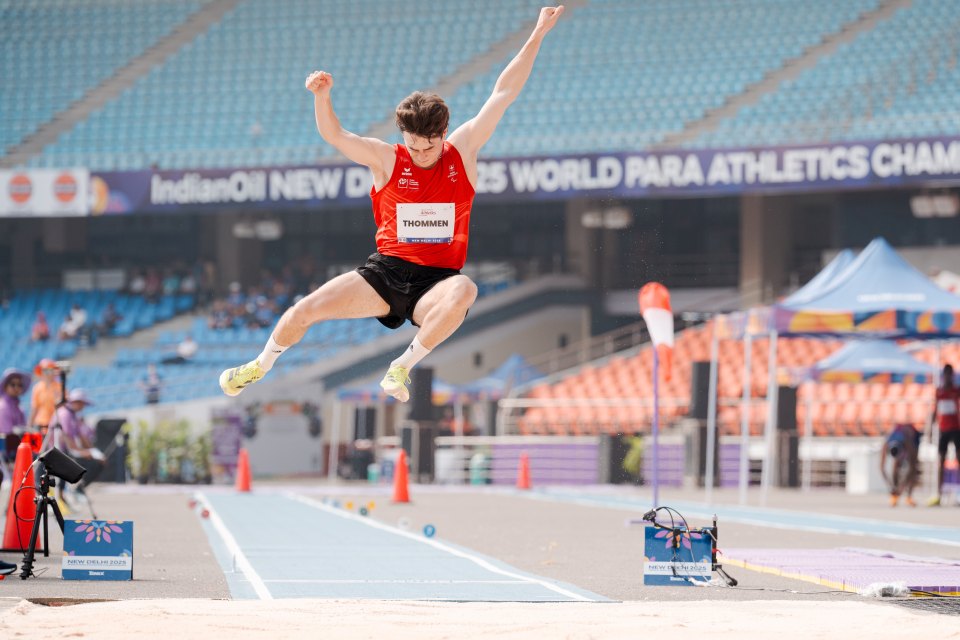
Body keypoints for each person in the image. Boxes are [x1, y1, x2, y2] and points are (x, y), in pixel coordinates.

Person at [219, 5, 566, 399]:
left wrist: (538, 33)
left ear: (444, 133)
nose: (420, 154)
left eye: (429, 146)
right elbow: (336, 136)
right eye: (413, 146)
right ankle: (259, 365)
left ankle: (400, 368)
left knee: (465, 290)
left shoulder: (463, 150)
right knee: (304, 311)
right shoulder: (387, 158)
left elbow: (503, 93)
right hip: (384, 273)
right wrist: (322, 96)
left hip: (437, 281)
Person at [0, 368, 30, 576]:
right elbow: (6, 438)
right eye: (13, 384)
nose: (17, 388)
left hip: (14, 458)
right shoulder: (3, 406)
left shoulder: (18, 407)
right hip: (7, 459)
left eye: (20, 385)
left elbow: (23, 436)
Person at [55, 389, 105, 491]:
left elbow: (81, 436)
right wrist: (83, 452)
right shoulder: (64, 414)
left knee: (97, 461)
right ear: (77, 402)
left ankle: (78, 489)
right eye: (82, 403)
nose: (83, 407)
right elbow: (65, 438)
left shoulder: (73, 415)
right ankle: (76, 489)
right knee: (93, 464)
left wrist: (94, 451)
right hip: (61, 452)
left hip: (68, 451)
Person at [929, 363, 960, 506]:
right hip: (944, 430)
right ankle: (939, 494)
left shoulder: (956, 390)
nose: (948, 377)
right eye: (946, 374)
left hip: (956, 429)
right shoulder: (939, 391)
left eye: (950, 374)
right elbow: (935, 410)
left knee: (958, 459)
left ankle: (958, 493)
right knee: (941, 460)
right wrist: (930, 428)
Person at [880, 423, 921, 507]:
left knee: (913, 469)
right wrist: (890, 486)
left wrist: (902, 487)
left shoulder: (909, 444)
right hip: (901, 437)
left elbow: (912, 468)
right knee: (895, 468)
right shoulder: (886, 444)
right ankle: (895, 494)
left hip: (913, 437)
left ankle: (909, 496)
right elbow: (881, 468)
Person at [28, 358, 62, 436]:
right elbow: (34, 408)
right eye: (45, 370)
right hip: (39, 424)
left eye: (50, 370)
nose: (47, 373)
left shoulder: (60, 388)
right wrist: (29, 426)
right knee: (37, 443)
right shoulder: (37, 388)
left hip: (55, 424)